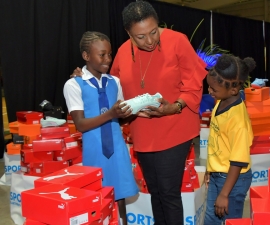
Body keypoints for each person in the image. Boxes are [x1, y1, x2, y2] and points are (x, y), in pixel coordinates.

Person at [71, 1, 207, 224]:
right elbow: (110, 85)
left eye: (154, 32)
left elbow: (193, 85)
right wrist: (82, 76)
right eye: (141, 36)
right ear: (128, 33)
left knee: (168, 191)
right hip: (142, 131)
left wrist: (175, 106)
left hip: (175, 126)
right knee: (155, 191)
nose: (151, 40)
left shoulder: (177, 40)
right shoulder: (124, 52)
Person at [63, 31, 139, 225]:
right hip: (95, 150)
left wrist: (135, 111)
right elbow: (80, 124)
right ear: (86, 56)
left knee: (120, 195)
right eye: (102, 54)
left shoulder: (115, 82)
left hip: (117, 148)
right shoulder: (74, 85)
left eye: (110, 54)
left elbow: (119, 118)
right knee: (96, 199)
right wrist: (111, 114)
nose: (108, 59)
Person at [204, 54, 255, 224]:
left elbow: (237, 161)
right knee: (211, 219)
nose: (209, 92)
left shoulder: (238, 121)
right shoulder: (221, 101)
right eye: (208, 87)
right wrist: (210, 169)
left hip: (233, 180)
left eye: (213, 89)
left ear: (233, 90)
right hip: (218, 175)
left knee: (229, 221)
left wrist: (225, 194)